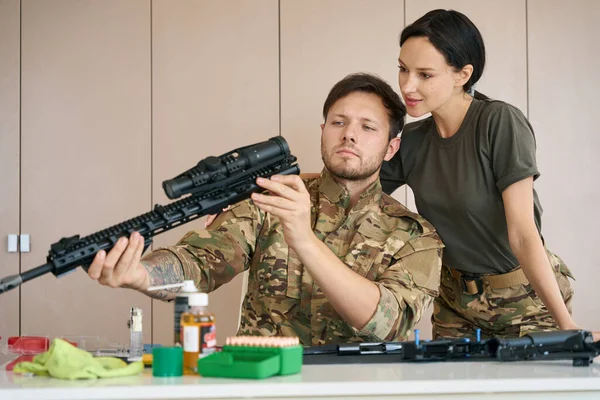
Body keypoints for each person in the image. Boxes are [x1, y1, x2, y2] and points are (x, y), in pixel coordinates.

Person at [87, 73, 444, 346]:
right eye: (339, 122)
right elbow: (197, 264)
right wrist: (142, 275)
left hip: (358, 391)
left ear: (391, 146)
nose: (349, 135)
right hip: (264, 383)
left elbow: (388, 322)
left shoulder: (415, 236)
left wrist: (304, 239)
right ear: (323, 131)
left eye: (367, 127)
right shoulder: (271, 199)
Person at [380, 9, 597, 340]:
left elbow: (524, 235)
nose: (407, 85)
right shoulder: (410, 141)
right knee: (448, 392)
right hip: (455, 302)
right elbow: (357, 192)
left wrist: (566, 326)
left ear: (462, 74)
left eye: (425, 74)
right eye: (403, 69)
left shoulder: (499, 122)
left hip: (524, 298)